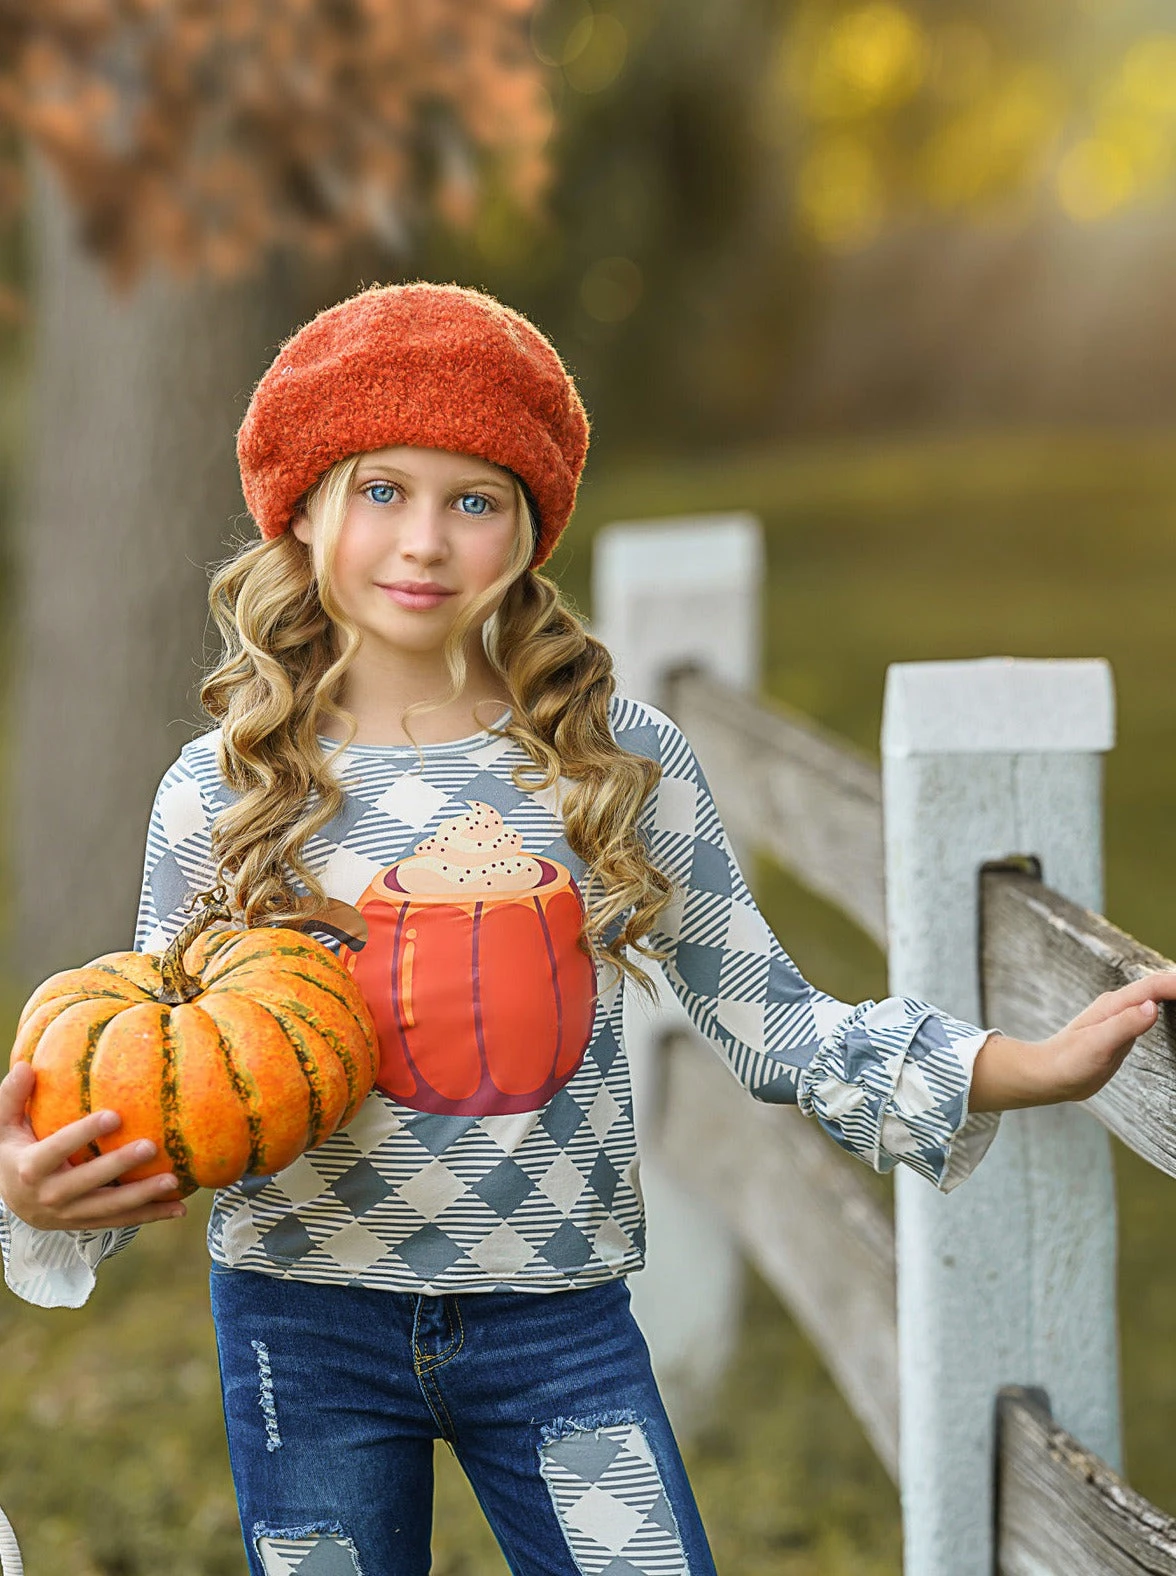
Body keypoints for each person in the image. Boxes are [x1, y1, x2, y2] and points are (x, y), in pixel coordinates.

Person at [0, 281, 1171, 1576]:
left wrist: (1030, 1063)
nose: (426, 541)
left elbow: (781, 1028)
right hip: (303, 1326)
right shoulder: (223, 790)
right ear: (307, 508)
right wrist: (47, 1199)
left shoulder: (612, 767)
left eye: (474, 498)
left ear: (530, 526)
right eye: (382, 488)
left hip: (552, 1328)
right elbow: (163, 1073)